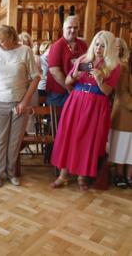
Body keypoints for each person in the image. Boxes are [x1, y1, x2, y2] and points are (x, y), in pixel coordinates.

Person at [51, 31, 121, 191]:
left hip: (96, 105)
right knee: (70, 136)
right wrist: (75, 74)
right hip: (76, 101)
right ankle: (63, 175)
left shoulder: (113, 66)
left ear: (109, 48)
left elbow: (107, 92)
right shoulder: (85, 60)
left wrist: (98, 79)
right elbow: (68, 81)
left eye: (103, 45)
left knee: (87, 139)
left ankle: (82, 176)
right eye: (97, 44)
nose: (99, 48)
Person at [0, 25, 40, 188]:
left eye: (2, 41)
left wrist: (24, 102)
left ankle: (11, 172)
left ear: (12, 38)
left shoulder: (25, 51)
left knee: (14, 141)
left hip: (18, 102)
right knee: (0, 141)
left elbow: (36, 78)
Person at [46, 15, 88, 107]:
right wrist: (68, 87)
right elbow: (54, 71)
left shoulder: (82, 45)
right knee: (57, 120)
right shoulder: (57, 46)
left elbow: (88, 65)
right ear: (63, 29)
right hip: (59, 91)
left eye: (75, 27)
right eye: (70, 27)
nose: (73, 30)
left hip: (78, 89)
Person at [109, 37, 132, 188]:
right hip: (125, 111)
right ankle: (119, 174)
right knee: (122, 144)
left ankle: (129, 175)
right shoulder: (123, 68)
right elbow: (122, 92)